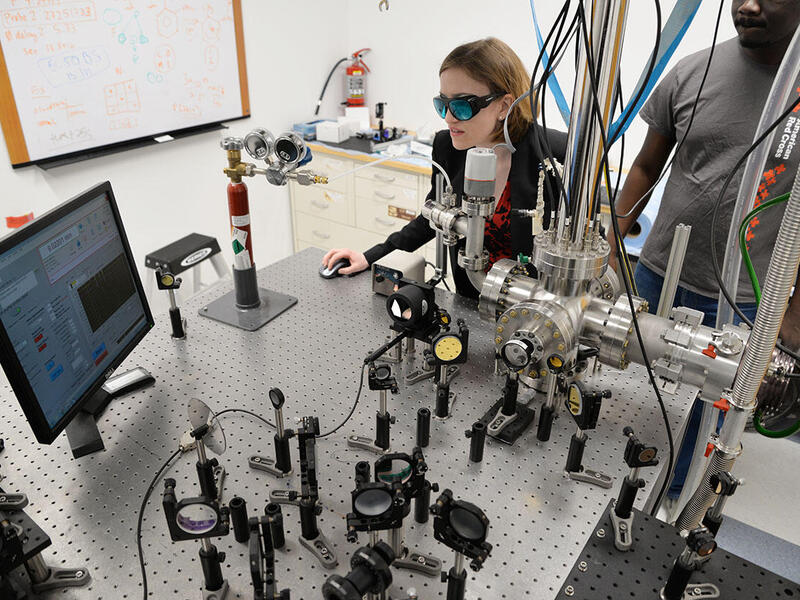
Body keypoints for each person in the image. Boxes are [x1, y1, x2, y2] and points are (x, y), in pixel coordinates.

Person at [608, 0, 800, 504]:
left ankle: (666, 508)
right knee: (626, 397)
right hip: (657, 274)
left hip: (744, 302)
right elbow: (646, 169)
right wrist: (610, 246)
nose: (747, 5)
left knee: (698, 431)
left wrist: (789, 327)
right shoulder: (695, 69)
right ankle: (608, 496)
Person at [322, 37, 567, 299]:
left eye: (462, 105)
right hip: (471, 299)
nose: (449, 117)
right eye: (443, 104)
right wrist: (369, 256)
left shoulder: (556, 155)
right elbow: (431, 219)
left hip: (533, 308)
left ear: (504, 106)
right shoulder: (448, 147)